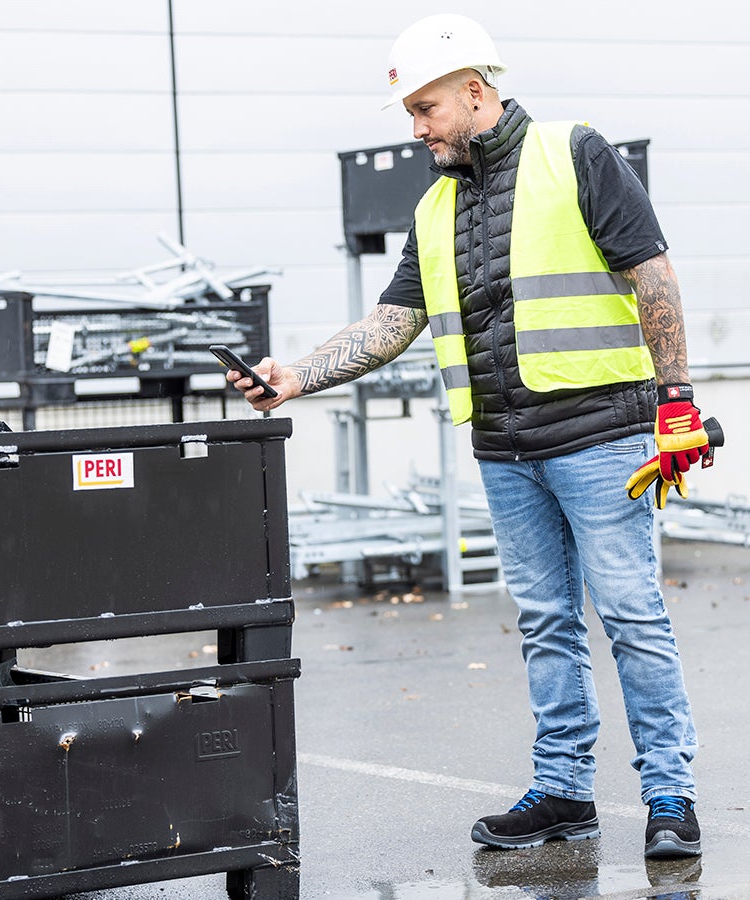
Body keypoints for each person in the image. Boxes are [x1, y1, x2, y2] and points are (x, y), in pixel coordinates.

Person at [224, 13, 712, 860]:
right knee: (544, 623)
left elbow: (652, 271)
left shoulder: (577, 152)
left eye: (425, 110)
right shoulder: (435, 203)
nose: (417, 130)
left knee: (632, 616)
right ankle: (564, 792)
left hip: (601, 439)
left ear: (476, 93)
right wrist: (294, 376)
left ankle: (670, 794)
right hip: (507, 450)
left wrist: (676, 397)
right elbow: (394, 319)